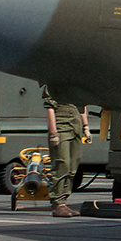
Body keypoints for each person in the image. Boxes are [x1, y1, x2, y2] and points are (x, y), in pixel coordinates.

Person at [42, 86, 86, 218]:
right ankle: (58, 203)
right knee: (62, 165)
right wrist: (53, 133)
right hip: (62, 128)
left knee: (73, 166)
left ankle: (64, 201)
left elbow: (82, 108)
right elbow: (50, 109)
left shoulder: (76, 84)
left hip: (75, 128)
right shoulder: (53, 84)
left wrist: (86, 127)